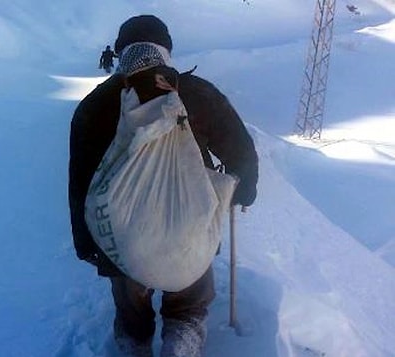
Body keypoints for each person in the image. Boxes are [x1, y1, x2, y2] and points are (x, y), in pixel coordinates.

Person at [68, 15, 258, 356]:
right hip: (189, 223)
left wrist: (86, 241)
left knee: (131, 309)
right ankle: (181, 343)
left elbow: (80, 180)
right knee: (188, 299)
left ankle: (134, 343)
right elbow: (239, 147)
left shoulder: (95, 106)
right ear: (166, 50)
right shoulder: (196, 92)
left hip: (121, 234)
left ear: (122, 52)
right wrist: (245, 188)